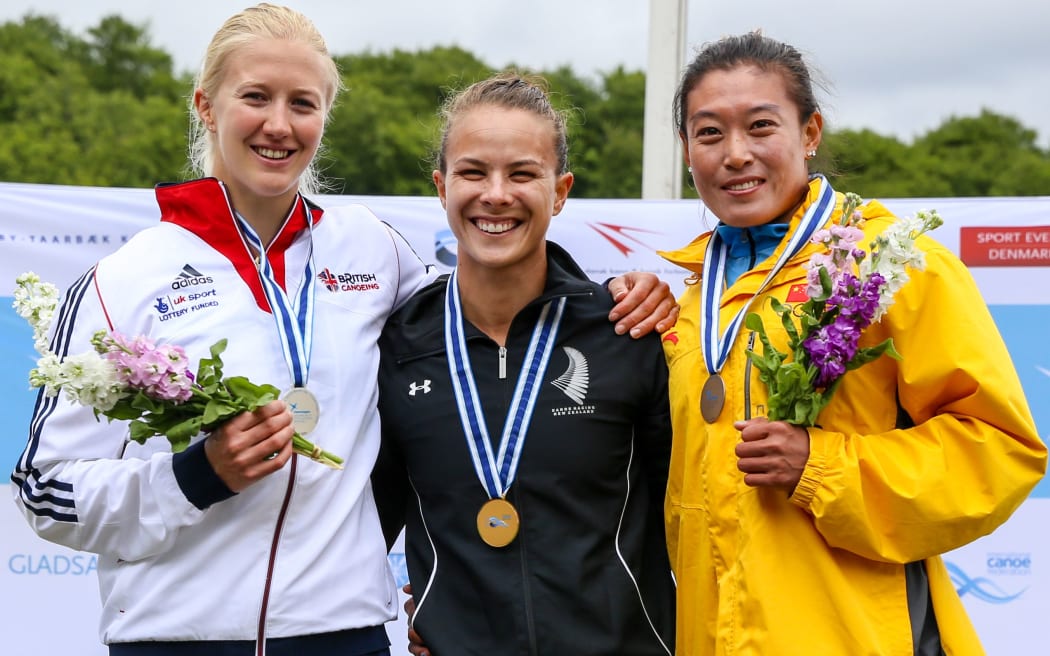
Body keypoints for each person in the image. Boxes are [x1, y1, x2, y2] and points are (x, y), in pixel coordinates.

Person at [8, 5, 676, 655]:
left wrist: (611, 295)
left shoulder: (372, 253)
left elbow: (495, 308)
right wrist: (195, 476)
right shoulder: (122, 280)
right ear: (206, 106)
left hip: (340, 636)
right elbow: (45, 490)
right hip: (177, 636)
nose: (279, 124)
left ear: (325, 118)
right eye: (255, 97)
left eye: (303, 103)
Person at [657, 31, 1047, 656]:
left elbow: (999, 450)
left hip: (856, 635)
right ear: (685, 149)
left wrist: (821, 467)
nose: (735, 154)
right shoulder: (692, 300)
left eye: (761, 126)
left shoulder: (893, 265)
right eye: (708, 133)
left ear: (810, 132)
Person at [372, 73, 676, 656]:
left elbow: (694, 508)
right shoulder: (398, 345)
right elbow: (361, 527)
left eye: (522, 173)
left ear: (560, 191)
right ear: (441, 186)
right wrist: (433, 610)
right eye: (472, 171)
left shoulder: (628, 330)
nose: (496, 194)